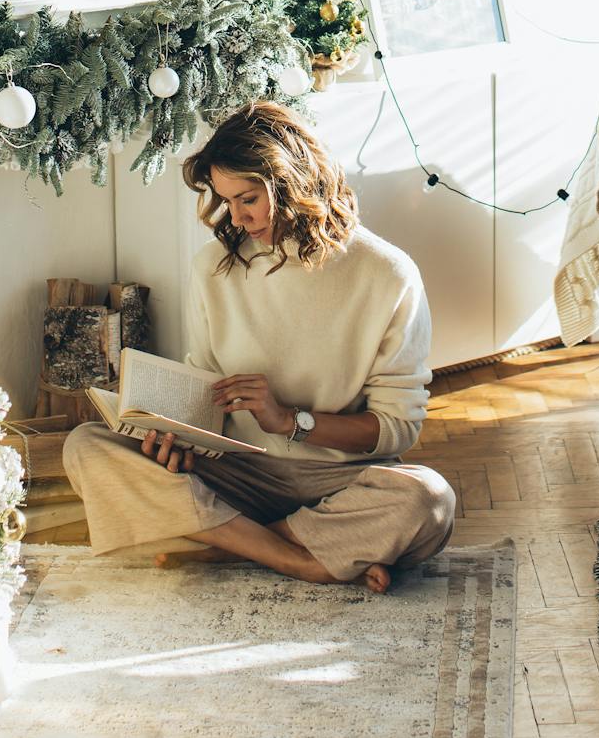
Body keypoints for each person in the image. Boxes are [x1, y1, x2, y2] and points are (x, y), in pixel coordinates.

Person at [64, 100, 455, 593]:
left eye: (249, 198)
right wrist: (174, 439)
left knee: (428, 501)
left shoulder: (387, 273)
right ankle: (305, 560)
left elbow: (397, 429)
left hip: (337, 481)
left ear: (294, 183)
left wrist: (290, 421)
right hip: (236, 472)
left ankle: (223, 545)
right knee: (87, 445)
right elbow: (204, 387)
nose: (239, 218)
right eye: (227, 202)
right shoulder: (214, 267)